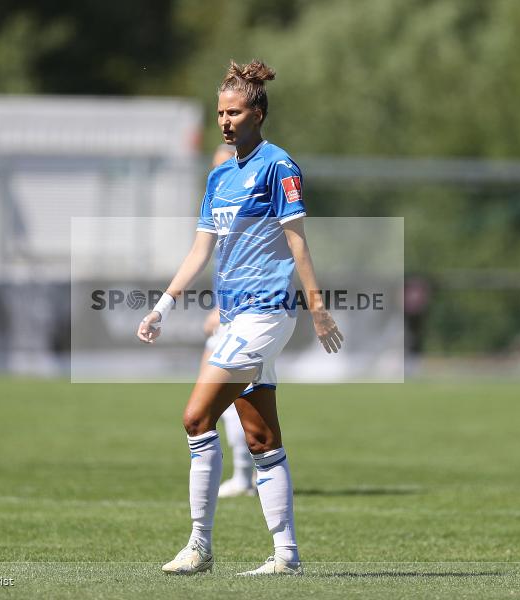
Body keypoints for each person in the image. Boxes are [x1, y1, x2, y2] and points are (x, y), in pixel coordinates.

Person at [136, 59, 343, 576]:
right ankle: (287, 556)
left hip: (266, 314)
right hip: (233, 318)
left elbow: (298, 244)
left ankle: (199, 546)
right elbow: (199, 252)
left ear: (259, 112)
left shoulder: (279, 165)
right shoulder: (219, 176)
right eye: (220, 113)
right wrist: (162, 307)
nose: (225, 121)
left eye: (234, 111)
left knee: (196, 417)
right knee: (261, 440)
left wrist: (317, 309)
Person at [201, 145, 257, 499]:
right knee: (218, 402)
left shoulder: (247, 218)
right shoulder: (221, 216)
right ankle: (246, 474)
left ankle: (245, 475)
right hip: (227, 317)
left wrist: (224, 309)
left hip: (243, 318)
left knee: (231, 399)